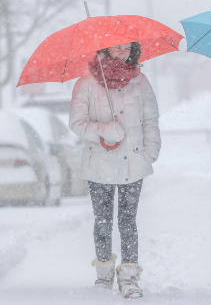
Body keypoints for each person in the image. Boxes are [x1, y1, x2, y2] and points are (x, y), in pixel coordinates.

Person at [69, 42, 160, 299]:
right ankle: (104, 275)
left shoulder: (140, 81)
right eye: (117, 48)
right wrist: (105, 129)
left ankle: (130, 278)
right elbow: (76, 123)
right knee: (103, 221)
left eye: (127, 48)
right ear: (106, 49)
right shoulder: (87, 82)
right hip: (99, 162)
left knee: (128, 221)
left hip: (133, 161)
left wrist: (150, 152)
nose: (123, 53)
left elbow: (151, 119)